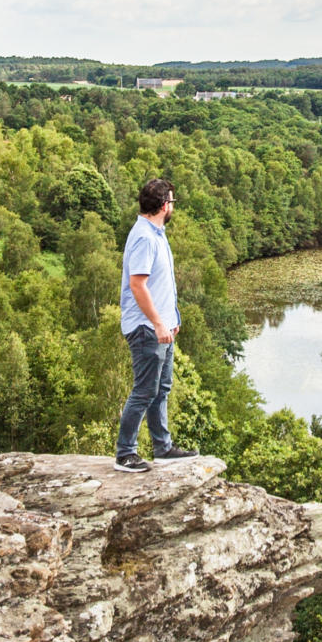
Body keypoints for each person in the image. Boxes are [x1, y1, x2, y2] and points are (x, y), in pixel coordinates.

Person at [115, 177, 199, 471]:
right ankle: (125, 453)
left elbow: (161, 284)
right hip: (146, 329)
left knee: (161, 388)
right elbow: (138, 285)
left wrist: (171, 320)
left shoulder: (156, 234)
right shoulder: (145, 237)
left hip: (161, 328)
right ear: (165, 205)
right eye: (172, 202)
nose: (173, 207)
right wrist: (157, 324)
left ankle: (162, 448)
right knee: (144, 390)